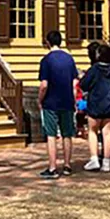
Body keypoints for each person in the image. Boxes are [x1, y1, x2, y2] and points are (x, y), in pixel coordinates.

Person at [37, 30, 79, 179]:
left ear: (48, 42)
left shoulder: (46, 60)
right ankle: (67, 165)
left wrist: (40, 99)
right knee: (67, 134)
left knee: (51, 135)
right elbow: (75, 83)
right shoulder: (69, 59)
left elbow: (44, 85)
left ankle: (53, 167)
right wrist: (74, 100)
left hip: (51, 102)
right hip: (67, 100)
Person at [81, 45, 110, 173]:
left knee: (92, 131)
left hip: (95, 104)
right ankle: (106, 162)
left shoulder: (94, 69)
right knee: (107, 133)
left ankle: (94, 159)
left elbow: (84, 84)